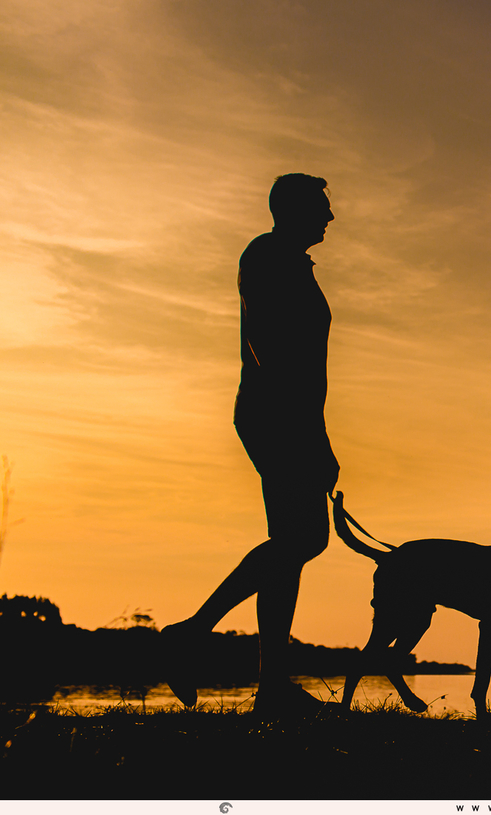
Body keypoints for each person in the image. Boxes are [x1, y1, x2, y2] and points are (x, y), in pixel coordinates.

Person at [163, 173, 339, 716]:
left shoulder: (285, 258)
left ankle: (270, 688)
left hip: (286, 416)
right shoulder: (268, 256)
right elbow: (271, 347)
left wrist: (318, 431)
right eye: (323, 208)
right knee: (303, 539)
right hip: (278, 416)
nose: (331, 218)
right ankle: (192, 633)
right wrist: (310, 435)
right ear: (295, 210)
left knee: (294, 542)